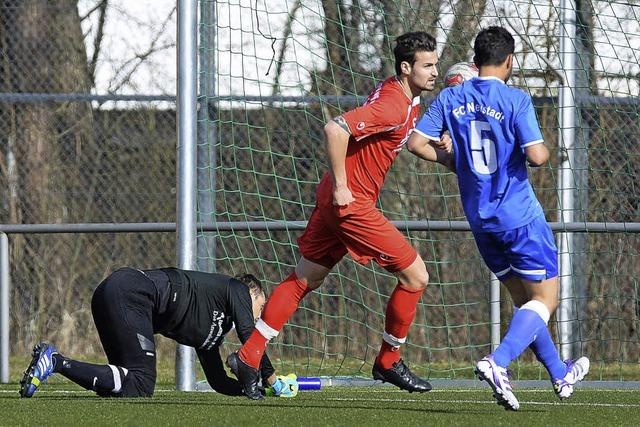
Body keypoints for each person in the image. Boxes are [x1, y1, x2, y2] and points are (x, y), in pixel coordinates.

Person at [225, 31, 450, 400]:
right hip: (351, 203)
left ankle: (249, 357)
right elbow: (335, 128)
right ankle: (389, 360)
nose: (435, 71)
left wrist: (446, 155)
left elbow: (410, 141)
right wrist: (344, 186)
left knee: (304, 278)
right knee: (416, 276)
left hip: (333, 199)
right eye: (428, 65)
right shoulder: (394, 104)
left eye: (436, 64)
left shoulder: (404, 99)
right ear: (406, 67)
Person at [406, 26, 589, 411]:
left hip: (480, 220)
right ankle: (498, 362)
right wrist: (537, 149)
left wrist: (455, 161)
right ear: (509, 61)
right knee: (547, 299)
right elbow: (537, 156)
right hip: (519, 217)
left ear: (475, 60)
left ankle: (559, 372)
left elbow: (416, 143)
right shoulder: (516, 99)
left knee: (526, 303)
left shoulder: (449, 97)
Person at [19, 267, 298, 399]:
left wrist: (252, 388)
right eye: (261, 305)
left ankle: (54, 362)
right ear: (251, 293)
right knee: (143, 382)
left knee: (129, 387)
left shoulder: (211, 333)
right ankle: (54, 360)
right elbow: (251, 333)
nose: (261, 314)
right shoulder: (236, 289)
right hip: (129, 291)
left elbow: (217, 381)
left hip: (113, 295)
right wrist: (273, 381)